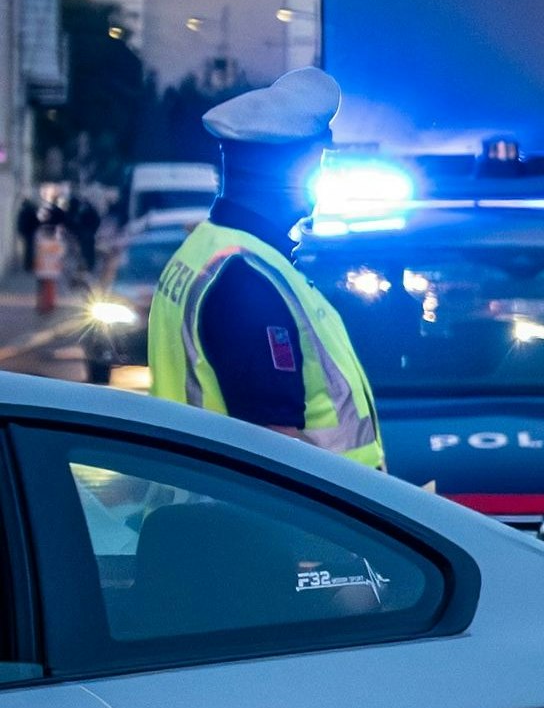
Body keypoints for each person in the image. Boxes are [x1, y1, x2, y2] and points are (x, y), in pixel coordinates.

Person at [143, 69, 387, 464]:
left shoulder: (210, 249)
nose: (322, 175)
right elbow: (275, 446)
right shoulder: (247, 281)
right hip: (284, 521)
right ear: (281, 172)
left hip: (208, 504)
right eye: (316, 161)